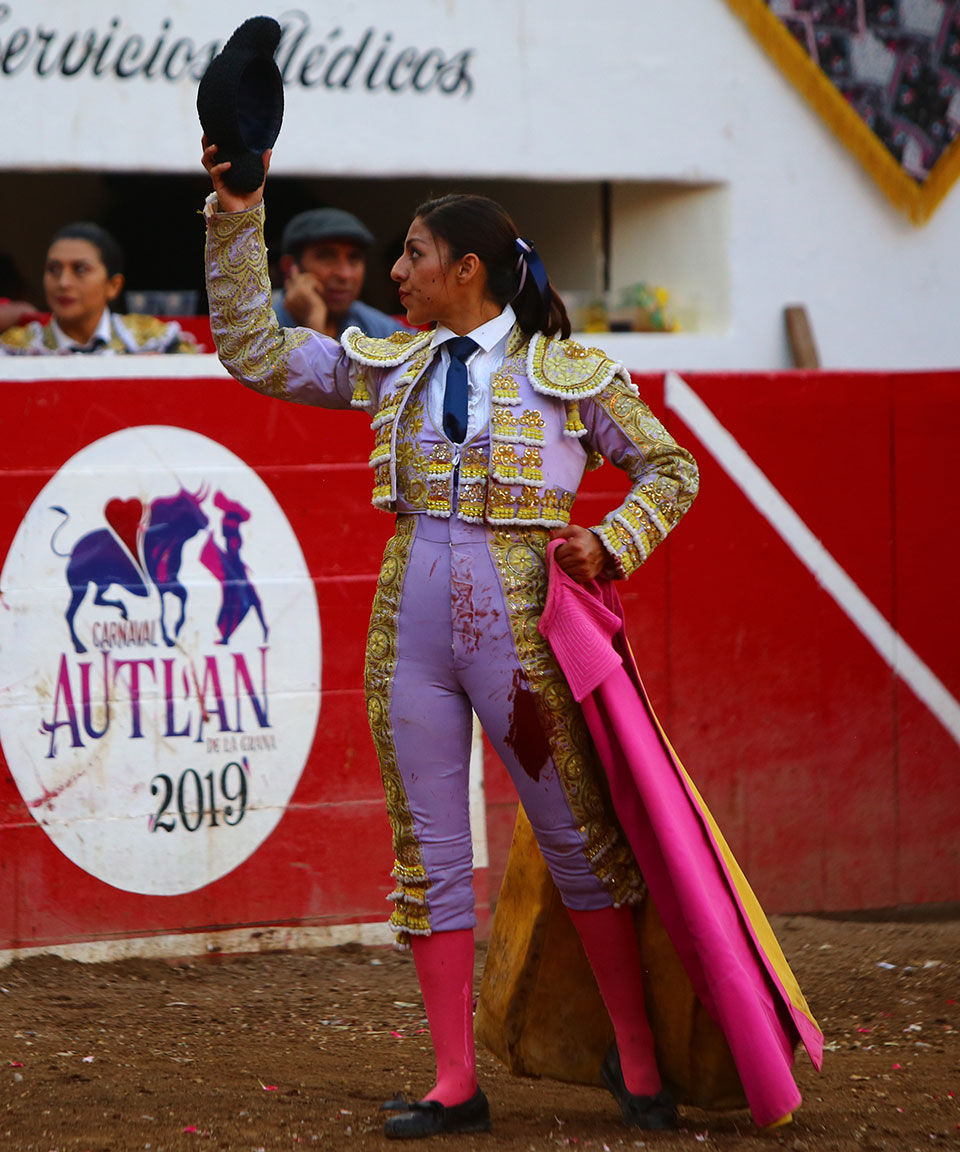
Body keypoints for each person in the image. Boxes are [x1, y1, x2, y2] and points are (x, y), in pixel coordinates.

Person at [201, 141, 702, 1138]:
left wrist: (611, 541)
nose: (394, 273)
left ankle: (638, 1058)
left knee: (577, 841)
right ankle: (453, 1081)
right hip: (412, 621)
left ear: (465, 269)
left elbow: (671, 468)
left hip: (521, 627)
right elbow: (253, 348)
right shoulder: (389, 361)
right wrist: (236, 206)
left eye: (413, 254)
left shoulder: (570, 371)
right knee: (426, 849)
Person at [0, 223, 198, 355]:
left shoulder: (154, 341)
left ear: (113, 286)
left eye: (80, 269)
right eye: (53, 270)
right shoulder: (15, 349)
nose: (63, 282)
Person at [273, 206, 409, 338]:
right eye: (326, 256)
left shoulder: (378, 328)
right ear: (290, 267)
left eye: (354, 258)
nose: (345, 274)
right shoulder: (261, 327)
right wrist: (312, 319)